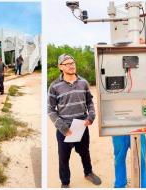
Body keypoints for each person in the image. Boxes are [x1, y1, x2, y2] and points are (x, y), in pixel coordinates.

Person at [48, 54, 101, 188]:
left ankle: (88, 173)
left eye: (73, 62)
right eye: (67, 64)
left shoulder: (83, 82)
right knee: (64, 158)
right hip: (65, 129)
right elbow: (50, 109)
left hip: (82, 125)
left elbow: (90, 102)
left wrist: (91, 117)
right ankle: (65, 183)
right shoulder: (54, 86)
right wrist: (63, 128)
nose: (71, 65)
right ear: (60, 67)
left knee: (85, 152)